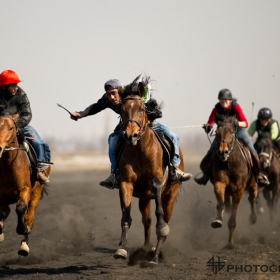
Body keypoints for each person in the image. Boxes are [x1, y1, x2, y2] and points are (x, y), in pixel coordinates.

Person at [70, 78, 192, 189]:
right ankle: (115, 174)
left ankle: (175, 170)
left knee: (174, 136)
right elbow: (95, 107)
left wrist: (145, 91)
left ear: (119, 90)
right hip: (126, 125)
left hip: (149, 122)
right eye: (109, 94)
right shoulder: (106, 99)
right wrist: (80, 114)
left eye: (114, 93)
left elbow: (145, 91)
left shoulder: (130, 92)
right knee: (112, 140)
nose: (112, 97)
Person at [194, 88, 269, 186]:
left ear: (230, 101)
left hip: (239, 131)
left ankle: (258, 174)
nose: (223, 102)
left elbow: (245, 123)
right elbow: (211, 122)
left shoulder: (236, 107)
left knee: (252, 149)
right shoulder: (216, 108)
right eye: (221, 100)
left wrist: (237, 123)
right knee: (211, 150)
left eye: (226, 100)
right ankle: (206, 175)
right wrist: (208, 126)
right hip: (224, 134)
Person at [0, 69, 51, 183]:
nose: (16, 88)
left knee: (38, 142)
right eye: (13, 85)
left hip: (21, 125)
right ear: (4, 87)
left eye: (16, 85)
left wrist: (15, 126)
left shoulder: (21, 95)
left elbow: (27, 114)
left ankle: (39, 170)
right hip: (1, 127)